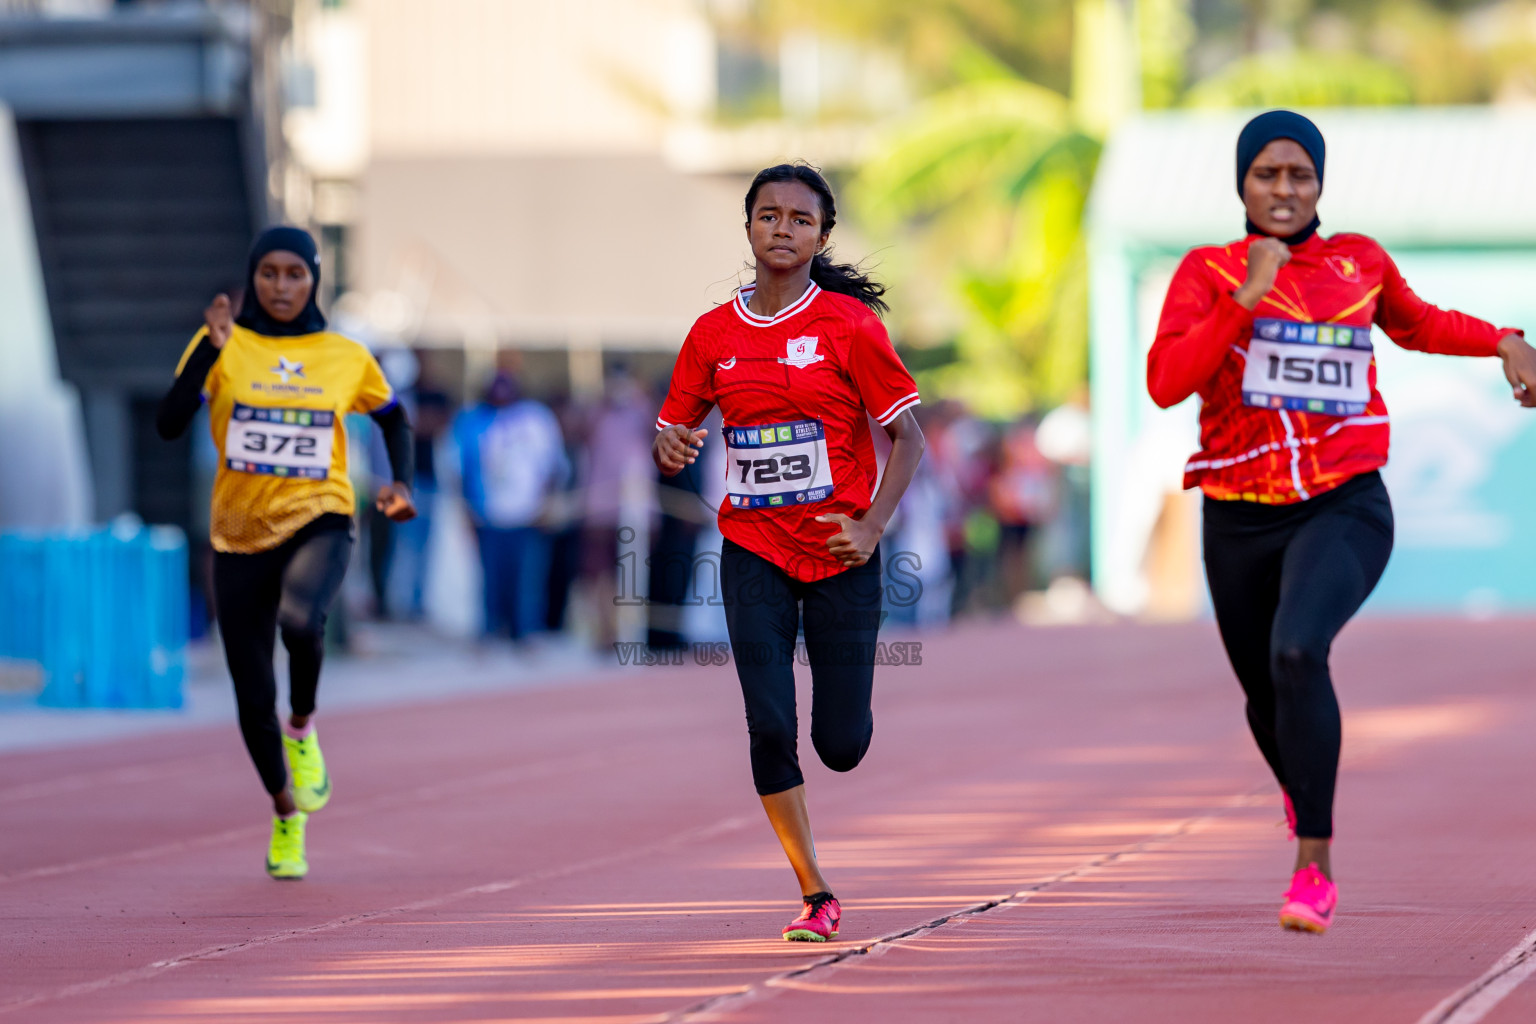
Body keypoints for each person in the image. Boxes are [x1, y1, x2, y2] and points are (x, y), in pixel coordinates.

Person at [1147, 110, 1536, 933]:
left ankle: (1313, 866)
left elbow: (1419, 322)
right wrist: (1242, 301)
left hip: (1343, 500)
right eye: (1267, 174)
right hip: (1239, 514)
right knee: (1264, 694)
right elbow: (1165, 381)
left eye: (1300, 175)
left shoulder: (1359, 260)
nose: (1284, 189)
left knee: (1298, 651)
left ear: (1320, 183)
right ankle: (1302, 790)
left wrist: (1505, 341)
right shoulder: (1206, 271)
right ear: (1242, 184)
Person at [654, 163, 924, 942]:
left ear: (822, 237)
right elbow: (675, 431)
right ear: (747, 228)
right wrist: (669, 446)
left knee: (841, 745)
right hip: (753, 549)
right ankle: (814, 890)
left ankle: (845, 733)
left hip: (842, 552)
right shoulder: (712, 333)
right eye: (767, 215)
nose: (782, 227)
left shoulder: (849, 327)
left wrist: (871, 527)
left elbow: (909, 438)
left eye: (800, 219)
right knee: (769, 722)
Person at [157, 226, 417, 879]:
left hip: (320, 515)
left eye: (294, 274)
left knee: (301, 621)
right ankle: (285, 815)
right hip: (238, 529)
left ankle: (302, 727)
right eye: (269, 273)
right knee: (250, 693)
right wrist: (204, 359)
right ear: (253, 279)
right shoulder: (221, 343)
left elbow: (393, 416)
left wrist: (400, 480)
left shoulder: (343, 354)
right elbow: (167, 424)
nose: (281, 286)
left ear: (314, 280)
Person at [453, 372, 568, 643]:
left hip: (528, 512)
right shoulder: (473, 421)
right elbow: (459, 468)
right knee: (490, 579)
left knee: (527, 580)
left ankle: (526, 631)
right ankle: (491, 630)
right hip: (488, 513)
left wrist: (547, 502)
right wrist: (467, 509)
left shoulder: (536, 418)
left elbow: (553, 465)